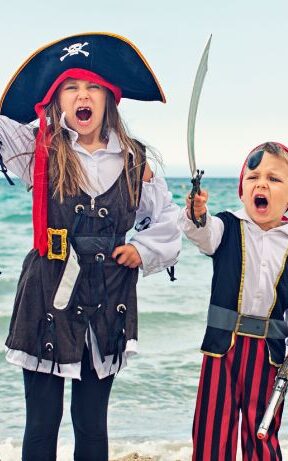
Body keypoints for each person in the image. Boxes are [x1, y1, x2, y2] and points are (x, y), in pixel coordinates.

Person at [0, 33, 181, 461]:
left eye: (92, 87)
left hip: (107, 298)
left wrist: (144, 249)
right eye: (71, 88)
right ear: (57, 100)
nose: (82, 96)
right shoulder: (37, 149)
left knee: (92, 424)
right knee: (41, 424)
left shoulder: (136, 161)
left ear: (109, 98)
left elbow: (167, 219)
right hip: (47, 294)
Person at [181, 141, 288, 460]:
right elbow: (199, 233)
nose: (261, 184)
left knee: (263, 430)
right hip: (222, 347)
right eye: (253, 177)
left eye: (274, 179)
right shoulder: (224, 228)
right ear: (241, 191)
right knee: (212, 430)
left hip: (269, 355)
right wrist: (196, 213)